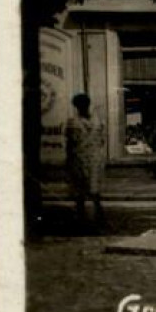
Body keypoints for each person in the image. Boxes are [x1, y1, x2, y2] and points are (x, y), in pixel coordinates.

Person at [63, 93, 106, 230]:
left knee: (80, 191)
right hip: (94, 158)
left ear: (76, 107)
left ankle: (82, 217)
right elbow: (102, 141)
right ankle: (98, 216)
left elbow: (70, 144)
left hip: (80, 158)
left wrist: (68, 160)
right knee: (94, 190)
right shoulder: (97, 121)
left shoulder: (72, 123)